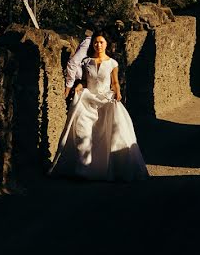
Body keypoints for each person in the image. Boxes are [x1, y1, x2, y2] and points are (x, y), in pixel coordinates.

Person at [49, 30, 149, 181]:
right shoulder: (86, 61)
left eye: (101, 42)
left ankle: (107, 168)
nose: (98, 45)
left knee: (111, 134)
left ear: (106, 44)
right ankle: (84, 169)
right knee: (83, 132)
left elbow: (114, 82)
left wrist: (118, 92)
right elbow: (84, 80)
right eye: (96, 42)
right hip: (88, 100)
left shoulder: (112, 63)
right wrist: (78, 86)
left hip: (105, 101)